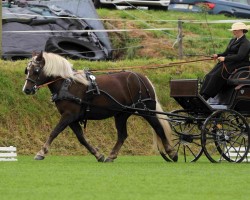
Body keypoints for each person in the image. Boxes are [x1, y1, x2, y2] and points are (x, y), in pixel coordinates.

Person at [200, 22, 250, 100]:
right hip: (229, 61)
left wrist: (225, 59)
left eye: (235, 30)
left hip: (240, 63)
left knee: (216, 75)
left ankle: (206, 95)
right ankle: (202, 94)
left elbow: (240, 56)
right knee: (210, 74)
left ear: (241, 30)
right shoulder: (232, 40)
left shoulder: (246, 43)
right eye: (233, 30)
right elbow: (226, 53)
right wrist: (218, 55)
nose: (233, 32)